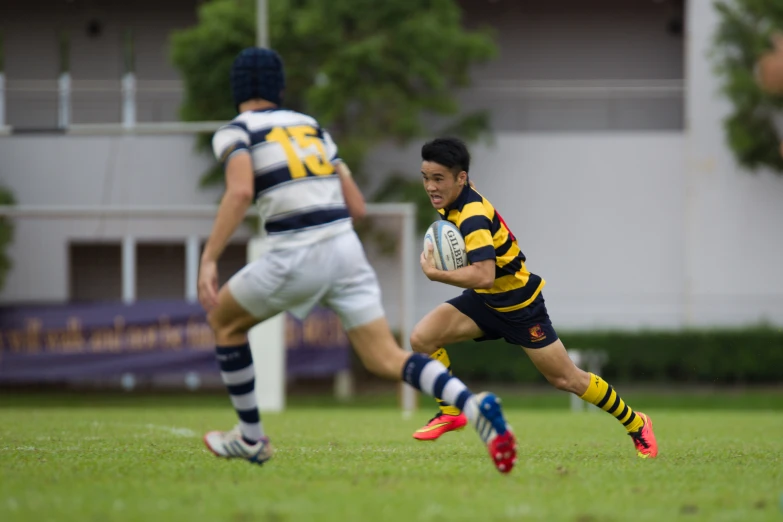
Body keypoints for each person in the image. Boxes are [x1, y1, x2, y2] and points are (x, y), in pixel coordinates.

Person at [197, 48, 517, 473]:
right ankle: (473, 407)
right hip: (346, 249)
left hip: (296, 250)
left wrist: (208, 259)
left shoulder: (236, 131)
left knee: (224, 322)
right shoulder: (311, 127)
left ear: (236, 89)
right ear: (279, 87)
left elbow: (238, 193)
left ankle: (252, 438)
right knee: (385, 356)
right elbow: (357, 205)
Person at [411, 137, 658, 459]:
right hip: (485, 300)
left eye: (438, 178)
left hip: (520, 307)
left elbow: (484, 274)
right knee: (422, 338)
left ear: (460, 178)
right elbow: (485, 280)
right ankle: (451, 410)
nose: (430, 186)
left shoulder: (471, 216)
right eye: (426, 178)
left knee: (566, 378)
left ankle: (636, 422)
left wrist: (437, 273)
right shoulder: (454, 201)